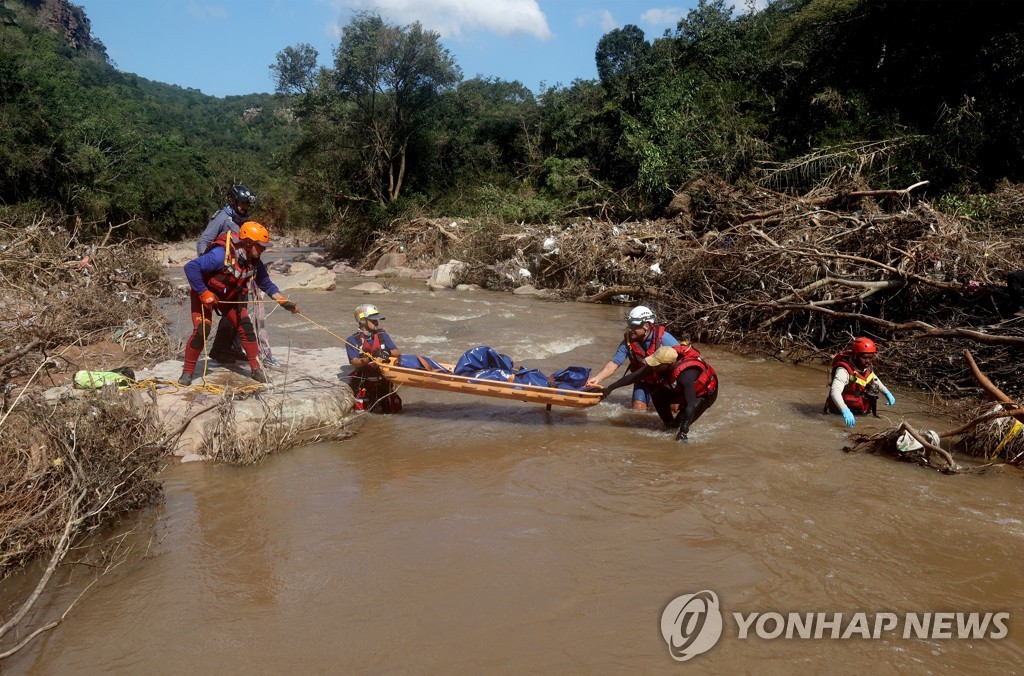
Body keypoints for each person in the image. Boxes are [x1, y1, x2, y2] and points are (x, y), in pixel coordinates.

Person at [178, 221, 298, 386]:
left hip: (229, 298)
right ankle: (187, 373)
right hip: (205, 295)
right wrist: (203, 292)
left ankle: (256, 370)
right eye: (261, 246)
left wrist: (283, 301)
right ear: (248, 243)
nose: (264, 249)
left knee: (246, 329)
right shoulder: (220, 255)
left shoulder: (254, 261)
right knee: (202, 331)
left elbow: (266, 284)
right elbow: (191, 268)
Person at [598, 344, 719, 442]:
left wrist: (684, 430)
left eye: (657, 365)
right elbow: (633, 377)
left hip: (703, 395)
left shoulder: (686, 375)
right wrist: (609, 388)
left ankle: (678, 427)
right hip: (684, 390)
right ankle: (668, 424)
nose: (653, 367)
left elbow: (691, 404)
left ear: (669, 364)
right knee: (657, 395)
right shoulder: (661, 363)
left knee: (679, 427)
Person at [196, 184, 259, 363]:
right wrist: (207, 266)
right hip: (223, 273)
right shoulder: (222, 218)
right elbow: (204, 241)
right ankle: (220, 350)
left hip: (240, 273)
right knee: (233, 311)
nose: (245, 207)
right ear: (232, 200)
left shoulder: (242, 219)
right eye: (242, 203)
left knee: (241, 308)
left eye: (247, 204)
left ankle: (233, 348)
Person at [586, 305, 681, 411]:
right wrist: (597, 379)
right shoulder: (628, 342)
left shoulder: (665, 339)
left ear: (646, 326)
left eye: (634, 326)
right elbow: (614, 363)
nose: (631, 329)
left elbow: (684, 362)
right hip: (643, 381)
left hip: (666, 381)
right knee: (637, 412)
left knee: (676, 409)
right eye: (629, 325)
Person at [823, 337, 896, 427]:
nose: (868, 361)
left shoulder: (866, 366)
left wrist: (886, 392)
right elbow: (835, 391)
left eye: (870, 357)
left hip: (859, 410)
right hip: (840, 412)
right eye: (864, 357)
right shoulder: (843, 370)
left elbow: (872, 377)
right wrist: (845, 410)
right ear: (855, 355)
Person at [346, 304, 402, 413]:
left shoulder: (382, 335)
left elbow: (397, 353)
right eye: (374, 321)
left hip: (384, 381)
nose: (377, 323)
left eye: (377, 320)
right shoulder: (352, 340)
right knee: (363, 413)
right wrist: (368, 359)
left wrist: (386, 352)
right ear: (362, 320)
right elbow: (355, 363)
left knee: (392, 411)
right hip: (365, 384)